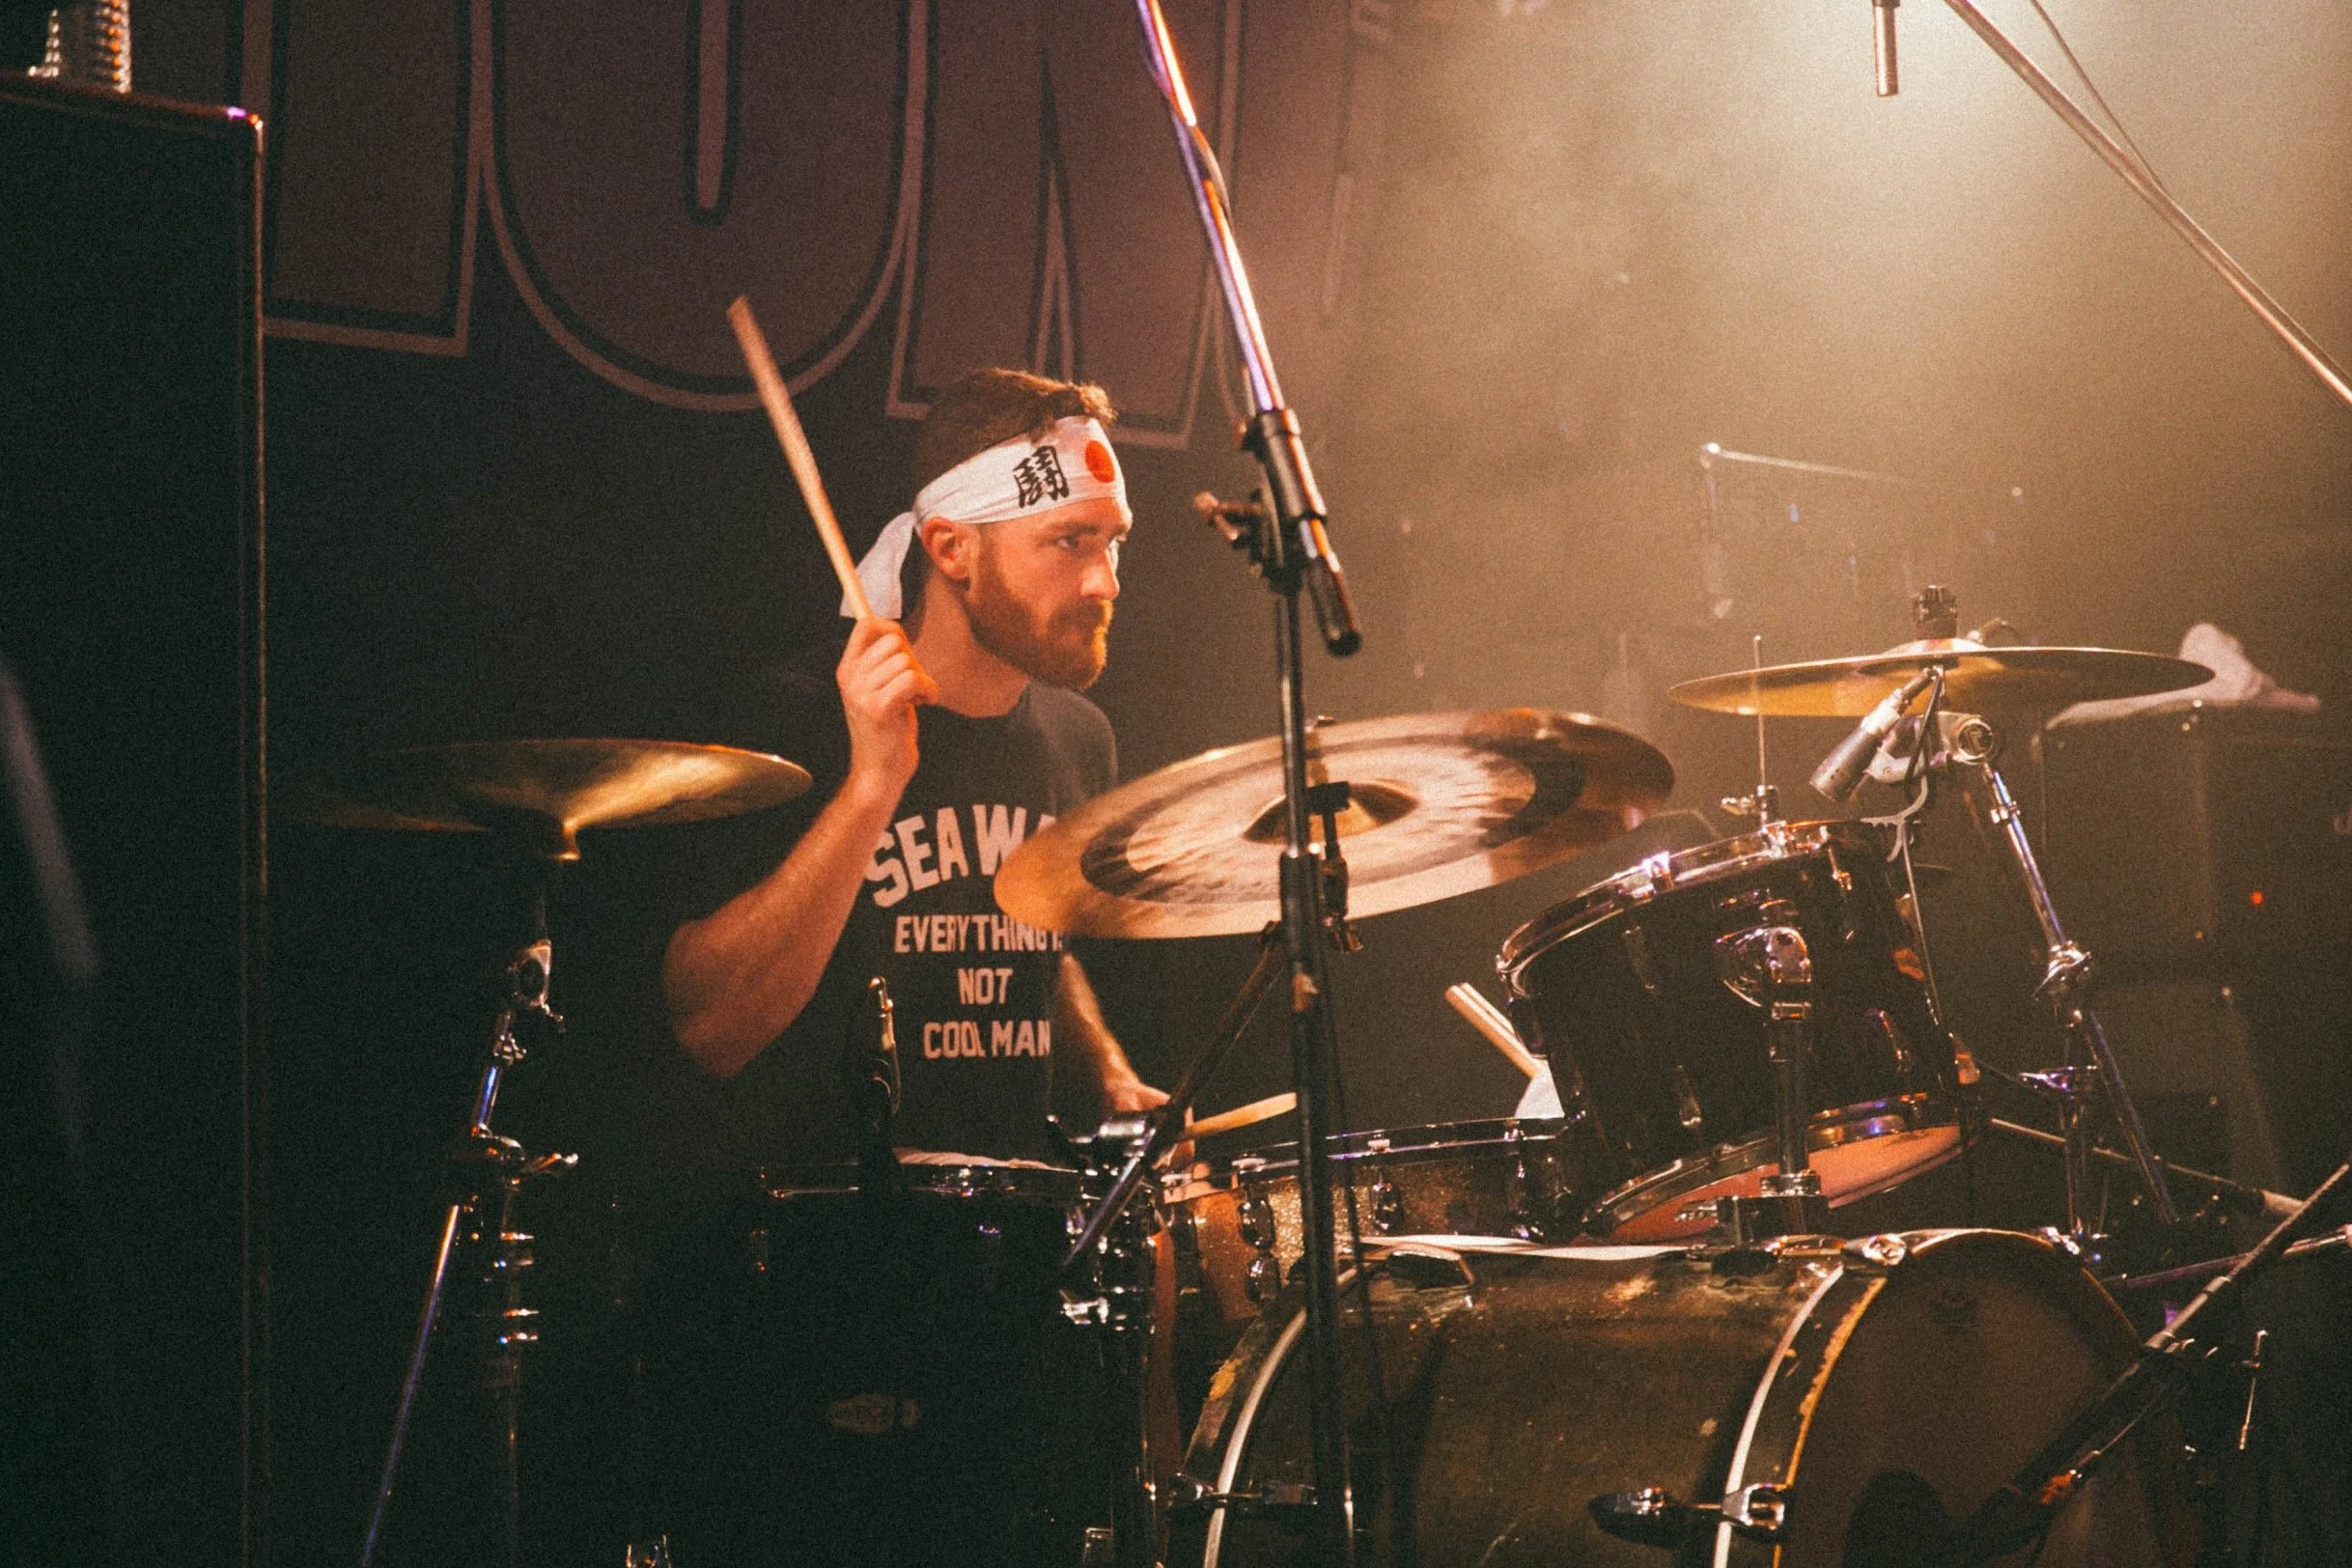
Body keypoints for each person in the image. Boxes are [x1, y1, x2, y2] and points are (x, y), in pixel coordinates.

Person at [660, 367, 1167, 1164]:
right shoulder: (793, 723)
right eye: (1070, 542)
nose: (1105, 581)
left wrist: (1104, 1071)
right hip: (817, 1246)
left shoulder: (1080, 739)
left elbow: (1030, 942)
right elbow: (710, 1030)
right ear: (951, 548)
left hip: (1010, 1237)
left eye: (1112, 542)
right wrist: (872, 785)